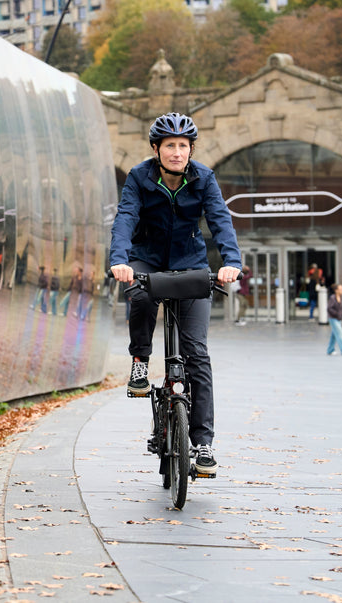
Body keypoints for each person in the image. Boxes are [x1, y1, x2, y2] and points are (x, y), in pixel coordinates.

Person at [109, 112, 242, 475]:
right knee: (139, 293)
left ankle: (202, 443)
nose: (177, 152)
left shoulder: (204, 178)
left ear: (190, 150)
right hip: (146, 260)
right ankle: (139, 362)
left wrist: (231, 261)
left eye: (183, 146)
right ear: (157, 149)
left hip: (191, 264)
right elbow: (125, 218)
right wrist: (120, 260)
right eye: (170, 146)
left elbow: (220, 221)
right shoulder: (139, 177)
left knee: (197, 353)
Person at [325, 283, 342, 355]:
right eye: (340, 289)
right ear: (336, 290)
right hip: (333, 318)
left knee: (334, 335)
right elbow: (329, 308)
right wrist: (336, 314)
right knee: (340, 333)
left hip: (339, 318)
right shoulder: (332, 298)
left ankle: (330, 350)